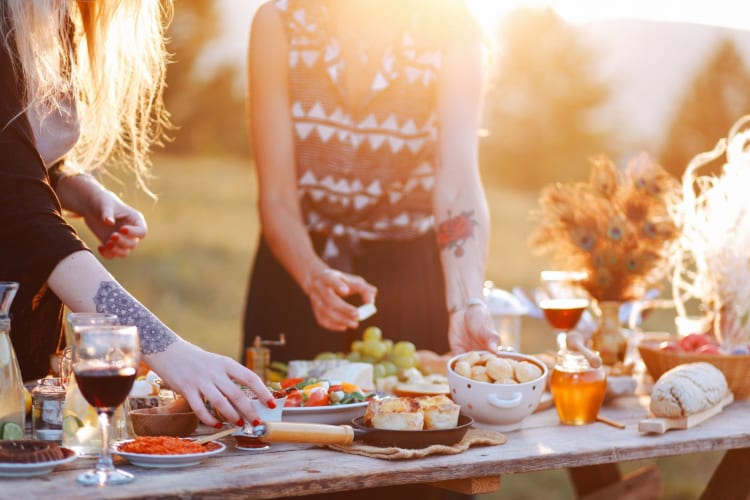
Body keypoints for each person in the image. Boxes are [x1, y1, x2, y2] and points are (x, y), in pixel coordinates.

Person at [0, 0, 273, 428]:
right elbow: (21, 214)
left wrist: (79, 189)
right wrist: (164, 348)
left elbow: (19, 158)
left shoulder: (61, 13)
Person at [242, 0, 498, 366]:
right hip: (298, 268)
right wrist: (313, 275)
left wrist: (468, 301)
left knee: (412, 413)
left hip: (410, 275)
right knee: (279, 415)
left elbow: (458, 183)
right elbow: (277, 195)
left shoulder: (453, 31)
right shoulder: (280, 21)